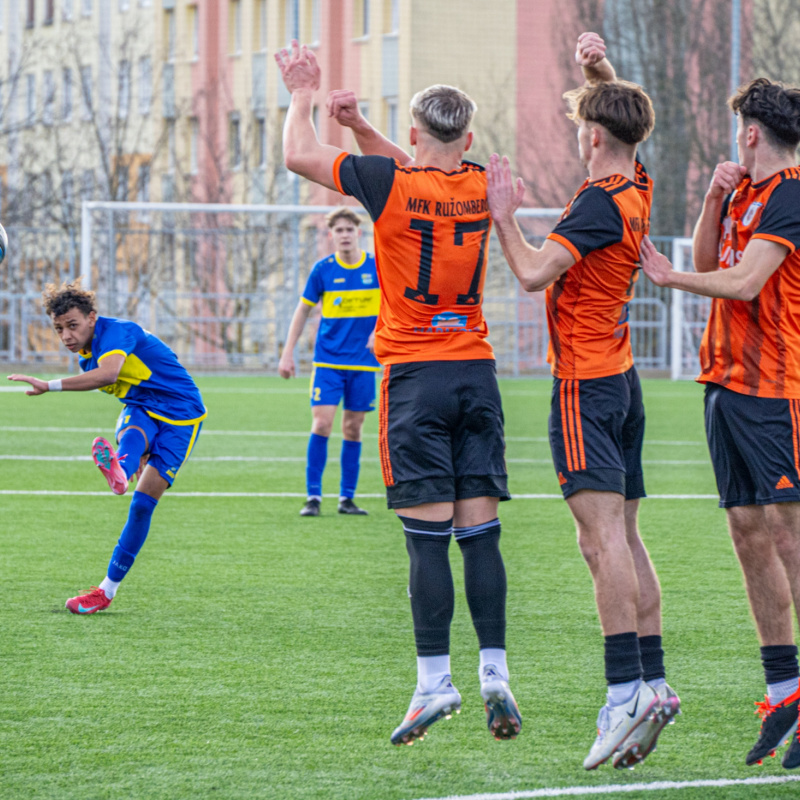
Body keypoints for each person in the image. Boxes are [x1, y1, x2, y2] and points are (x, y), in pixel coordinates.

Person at [275, 40, 521, 745]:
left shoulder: (390, 182)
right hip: (476, 370)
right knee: (480, 538)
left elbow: (299, 153)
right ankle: (496, 673)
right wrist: (358, 126)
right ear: (467, 139)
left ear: (414, 135)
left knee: (425, 543)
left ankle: (432, 683)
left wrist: (303, 94)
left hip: (414, 379)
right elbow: (422, 159)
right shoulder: (481, 181)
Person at [486, 32, 680, 770]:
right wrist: (596, 70)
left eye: (580, 126)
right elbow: (625, 115)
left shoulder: (598, 203)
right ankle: (653, 681)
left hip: (586, 386)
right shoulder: (638, 182)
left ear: (593, 135)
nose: (578, 135)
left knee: (600, 544)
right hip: (622, 383)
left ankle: (624, 690)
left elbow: (534, 274)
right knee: (623, 539)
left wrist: (505, 214)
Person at [640, 77, 800, 770]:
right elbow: (713, 259)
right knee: (746, 532)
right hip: (725, 385)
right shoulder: (742, 192)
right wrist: (710, 198)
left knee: (791, 536)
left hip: (776, 389)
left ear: (753, 132)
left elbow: (741, 282)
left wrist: (670, 280)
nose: (737, 138)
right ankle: (784, 692)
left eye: (739, 127)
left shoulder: (792, 192)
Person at [8, 280, 206, 614]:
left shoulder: (116, 333)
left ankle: (121, 477)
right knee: (133, 426)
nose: (67, 335)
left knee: (143, 506)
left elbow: (109, 374)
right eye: (59, 329)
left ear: (92, 318)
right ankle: (121, 474)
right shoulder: (87, 359)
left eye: (73, 325)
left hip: (182, 414)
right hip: (142, 407)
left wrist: (49, 385)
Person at [279, 207, 379, 517]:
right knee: (322, 423)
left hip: (363, 364)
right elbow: (303, 310)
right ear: (331, 236)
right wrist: (288, 352)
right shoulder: (322, 270)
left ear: (358, 233)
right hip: (328, 362)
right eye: (339, 230)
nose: (345, 235)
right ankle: (313, 497)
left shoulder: (378, 268)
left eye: (350, 229)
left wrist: (379, 332)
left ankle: (346, 498)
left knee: (353, 428)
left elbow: (395, 305)